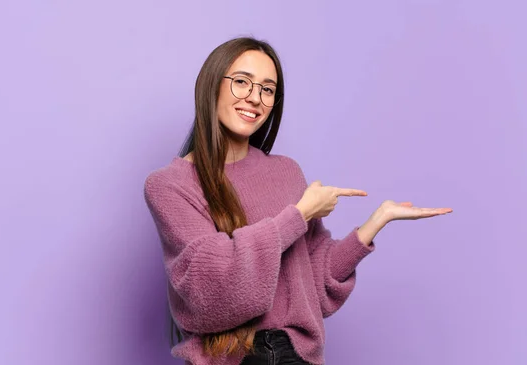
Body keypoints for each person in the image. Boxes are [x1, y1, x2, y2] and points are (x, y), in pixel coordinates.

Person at [144, 37, 452, 365]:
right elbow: (211, 289)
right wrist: (299, 214)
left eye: (267, 89)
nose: (254, 97)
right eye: (241, 82)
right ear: (211, 86)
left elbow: (315, 284)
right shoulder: (169, 186)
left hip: (297, 354)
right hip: (228, 357)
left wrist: (374, 224)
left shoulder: (286, 172)